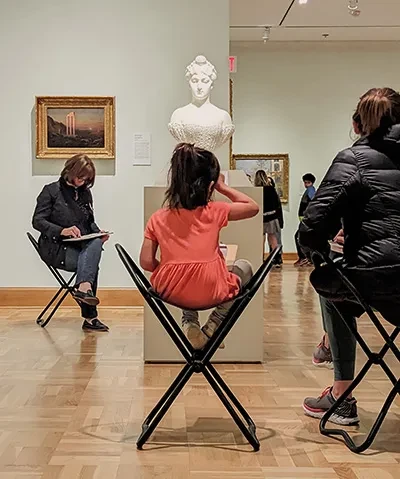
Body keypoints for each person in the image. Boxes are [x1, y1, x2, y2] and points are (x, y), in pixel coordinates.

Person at [299, 87, 400, 425]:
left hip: (378, 277)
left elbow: (312, 228)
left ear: (356, 126)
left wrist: (341, 241)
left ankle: (341, 395)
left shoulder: (353, 159)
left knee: (331, 284)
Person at [140, 143, 259, 350]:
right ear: (209, 185)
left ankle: (189, 323)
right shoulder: (215, 210)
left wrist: (171, 268)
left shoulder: (157, 218)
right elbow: (252, 207)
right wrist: (222, 187)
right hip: (212, 290)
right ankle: (214, 326)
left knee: (184, 280)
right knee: (244, 267)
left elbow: (146, 263)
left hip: (170, 292)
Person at [32, 154, 109, 332]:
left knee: (95, 244)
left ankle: (84, 289)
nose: (82, 182)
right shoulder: (51, 191)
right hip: (55, 248)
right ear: (70, 171)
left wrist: (98, 232)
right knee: (90, 266)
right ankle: (90, 315)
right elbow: (38, 221)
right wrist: (62, 230)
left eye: (86, 179)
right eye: (80, 177)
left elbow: (89, 222)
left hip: (78, 246)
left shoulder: (84, 193)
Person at [254, 170, 283, 266]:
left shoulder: (256, 190)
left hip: (261, 217)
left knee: (260, 239)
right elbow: (276, 204)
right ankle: (276, 258)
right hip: (272, 216)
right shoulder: (271, 189)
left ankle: (259, 259)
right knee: (273, 238)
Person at [294, 174, 316, 267]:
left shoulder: (311, 190)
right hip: (304, 219)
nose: (306, 184)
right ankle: (306, 257)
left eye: (308, 182)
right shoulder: (308, 190)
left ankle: (305, 257)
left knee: (299, 237)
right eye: (305, 182)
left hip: (306, 220)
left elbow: (312, 201)